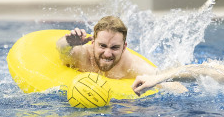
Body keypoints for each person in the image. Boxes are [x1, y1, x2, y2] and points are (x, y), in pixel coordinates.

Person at [56, 15, 186, 92]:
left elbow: (174, 84)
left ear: (124, 48)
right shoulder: (82, 55)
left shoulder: (132, 66)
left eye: (114, 48)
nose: (107, 54)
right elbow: (61, 50)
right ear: (93, 43)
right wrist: (68, 42)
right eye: (102, 46)